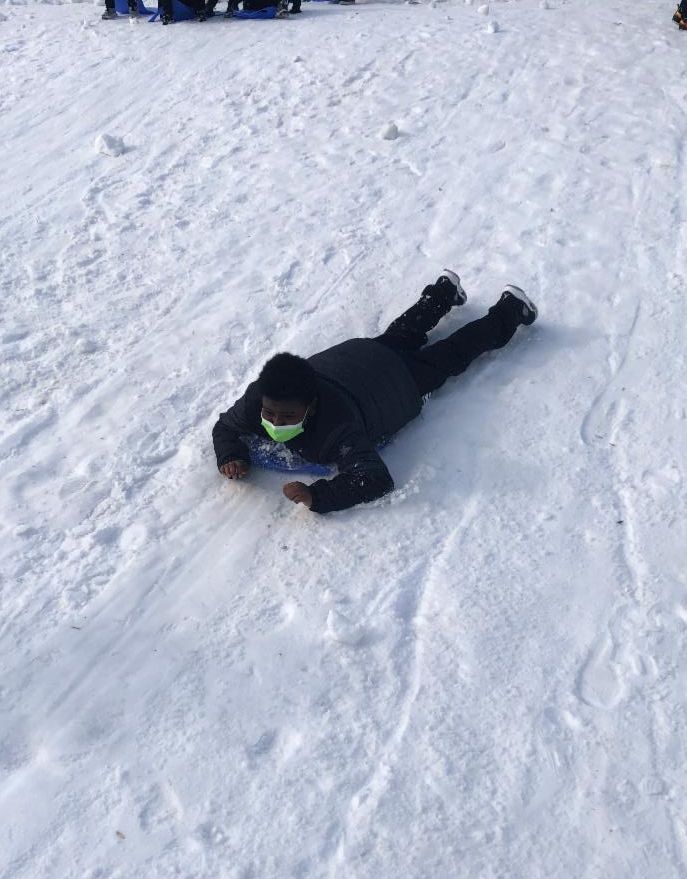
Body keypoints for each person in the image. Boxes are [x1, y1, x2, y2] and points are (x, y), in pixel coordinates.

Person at [212, 272, 538, 514]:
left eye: (287, 417)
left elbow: (375, 478)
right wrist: (230, 455)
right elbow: (225, 426)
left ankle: (509, 311)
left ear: (311, 407)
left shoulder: (336, 428)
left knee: (453, 352)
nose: (275, 422)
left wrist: (317, 496)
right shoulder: (258, 398)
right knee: (401, 335)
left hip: (399, 383)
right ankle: (443, 292)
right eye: (270, 413)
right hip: (358, 358)